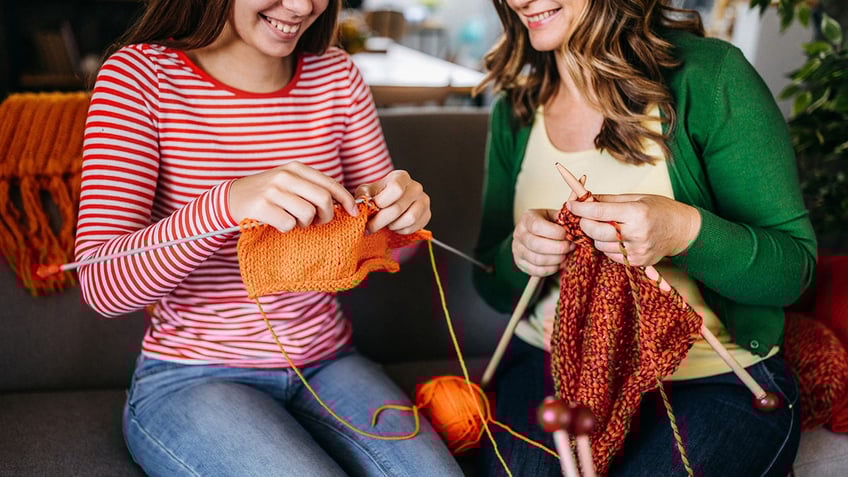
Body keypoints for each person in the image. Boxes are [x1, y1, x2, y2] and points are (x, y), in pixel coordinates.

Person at [74, 1, 464, 475]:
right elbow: (99, 285)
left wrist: (404, 218)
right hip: (192, 376)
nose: (302, 7)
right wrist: (226, 204)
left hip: (328, 361)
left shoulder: (336, 75)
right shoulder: (140, 77)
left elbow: (400, 248)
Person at [472, 0, 817, 475]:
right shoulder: (517, 103)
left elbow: (791, 272)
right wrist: (522, 253)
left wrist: (683, 231)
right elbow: (489, 284)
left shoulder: (711, 76)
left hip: (711, 375)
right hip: (550, 366)